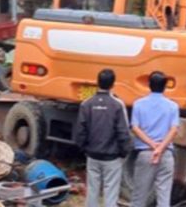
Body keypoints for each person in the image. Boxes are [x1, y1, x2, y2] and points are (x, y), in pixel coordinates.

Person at [76, 69, 132, 207]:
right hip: (112, 157)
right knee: (111, 192)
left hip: (92, 156)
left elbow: (80, 132)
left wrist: (85, 149)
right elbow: (123, 133)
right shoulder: (118, 105)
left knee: (92, 191)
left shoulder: (86, 104)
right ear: (113, 84)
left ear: (97, 82)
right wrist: (124, 152)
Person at [131, 71, 180, 207]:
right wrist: (160, 148)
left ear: (148, 85)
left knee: (139, 197)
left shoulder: (138, 104)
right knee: (164, 198)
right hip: (166, 155)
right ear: (165, 86)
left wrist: (153, 145)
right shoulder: (173, 106)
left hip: (146, 153)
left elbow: (135, 128)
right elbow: (174, 129)